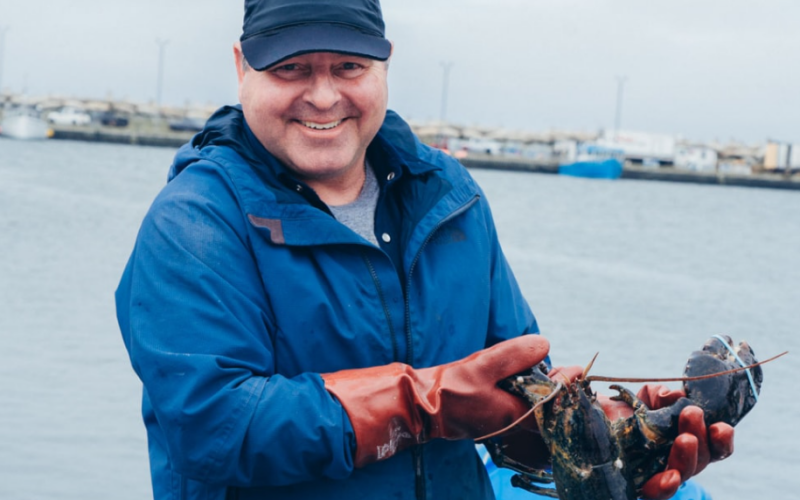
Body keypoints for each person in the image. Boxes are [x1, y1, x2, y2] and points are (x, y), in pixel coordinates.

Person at [115, 1, 734, 499]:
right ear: (241, 67)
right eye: (292, 68)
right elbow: (214, 426)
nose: (324, 96)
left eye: (349, 68)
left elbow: (511, 390)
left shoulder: (449, 194)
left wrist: (606, 426)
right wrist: (422, 405)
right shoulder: (194, 222)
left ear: (385, 65)